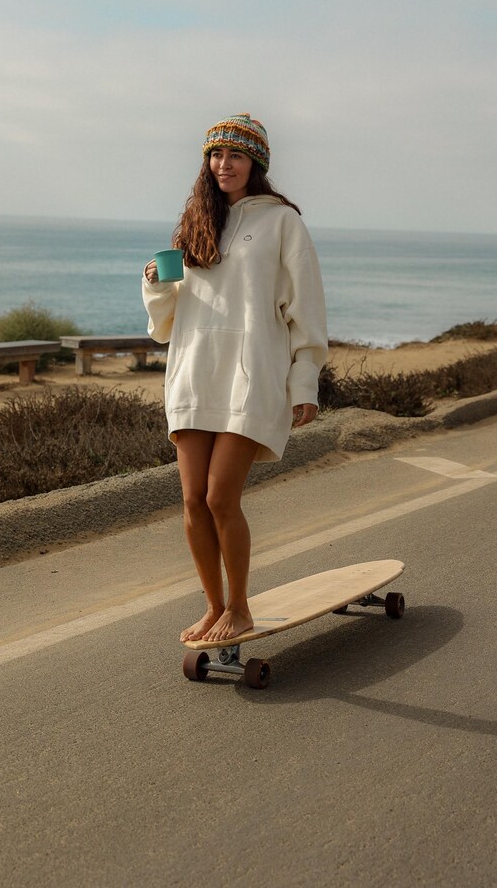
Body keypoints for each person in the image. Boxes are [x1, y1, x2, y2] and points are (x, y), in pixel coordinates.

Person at [142, 113, 327, 644]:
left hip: (252, 378)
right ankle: (213, 605)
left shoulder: (282, 223)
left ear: (257, 163)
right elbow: (166, 323)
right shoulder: (196, 222)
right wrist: (155, 285)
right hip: (196, 374)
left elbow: (306, 311)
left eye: (236, 155)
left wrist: (305, 381)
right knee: (192, 500)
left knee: (222, 498)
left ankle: (241, 608)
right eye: (216, 155)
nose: (224, 164)